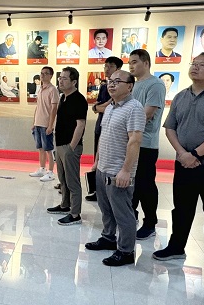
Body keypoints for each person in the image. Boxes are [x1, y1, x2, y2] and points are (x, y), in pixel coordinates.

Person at [153, 52, 204, 288]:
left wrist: (195, 154)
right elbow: (170, 128)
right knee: (181, 209)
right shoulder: (181, 96)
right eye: (194, 63)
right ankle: (176, 247)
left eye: (202, 65)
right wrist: (182, 154)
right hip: (184, 164)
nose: (195, 67)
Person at [85, 69, 145, 266]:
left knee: (123, 213)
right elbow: (103, 136)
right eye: (110, 81)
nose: (111, 84)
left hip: (119, 171)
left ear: (129, 86)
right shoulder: (110, 107)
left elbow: (135, 141)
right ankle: (108, 238)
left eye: (117, 81)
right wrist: (97, 161)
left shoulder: (134, 108)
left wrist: (126, 170)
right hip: (103, 167)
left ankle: (126, 251)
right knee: (106, 209)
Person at [128, 49, 166, 239]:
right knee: (132, 183)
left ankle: (150, 223)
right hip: (130, 141)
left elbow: (148, 113)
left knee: (145, 184)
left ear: (146, 63)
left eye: (134, 62)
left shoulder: (155, 84)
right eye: (129, 63)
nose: (131, 66)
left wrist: (123, 122)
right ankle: (130, 216)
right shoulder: (133, 85)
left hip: (146, 143)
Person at [46, 67, 87, 225]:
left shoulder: (79, 100)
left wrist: (71, 147)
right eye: (60, 78)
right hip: (60, 144)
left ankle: (75, 214)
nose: (60, 81)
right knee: (62, 178)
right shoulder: (63, 97)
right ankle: (65, 205)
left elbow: (80, 125)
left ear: (74, 82)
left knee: (72, 181)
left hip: (70, 146)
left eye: (64, 78)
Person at [87, 56, 124, 201]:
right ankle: (98, 191)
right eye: (105, 66)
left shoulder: (121, 88)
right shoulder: (103, 86)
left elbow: (107, 107)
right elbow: (97, 107)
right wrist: (99, 107)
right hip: (100, 126)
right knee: (97, 160)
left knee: (110, 162)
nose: (107, 69)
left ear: (118, 69)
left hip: (113, 130)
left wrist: (99, 107)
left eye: (111, 66)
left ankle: (109, 192)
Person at [29, 67, 59, 184]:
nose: (42, 75)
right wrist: (34, 122)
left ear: (51, 76)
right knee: (40, 148)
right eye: (41, 73)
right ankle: (42, 169)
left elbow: (54, 109)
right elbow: (38, 107)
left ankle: (50, 172)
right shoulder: (40, 89)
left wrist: (50, 126)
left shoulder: (53, 90)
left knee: (49, 149)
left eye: (46, 73)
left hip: (46, 124)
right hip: (38, 123)